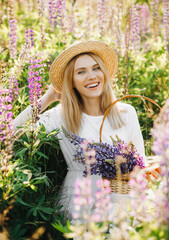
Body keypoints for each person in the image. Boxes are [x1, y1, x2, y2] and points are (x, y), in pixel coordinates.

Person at [13, 41, 146, 220]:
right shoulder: (61, 116)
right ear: (72, 81)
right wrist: (48, 97)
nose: (91, 76)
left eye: (96, 68)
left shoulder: (126, 112)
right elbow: (8, 134)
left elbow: (141, 166)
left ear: (104, 73)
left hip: (120, 204)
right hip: (79, 204)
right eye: (81, 72)